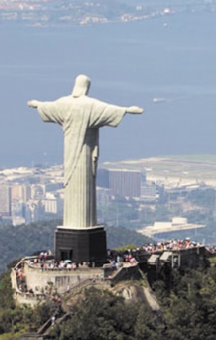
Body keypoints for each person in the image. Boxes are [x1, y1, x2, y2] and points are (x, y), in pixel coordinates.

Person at [28, 75, 143, 229]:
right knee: (81, 188)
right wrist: (127, 110)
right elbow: (109, 110)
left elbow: (49, 106)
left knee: (74, 186)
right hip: (84, 154)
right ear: (86, 87)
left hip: (69, 152)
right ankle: (80, 225)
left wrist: (37, 104)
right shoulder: (89, 105)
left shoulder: (64, 102)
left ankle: (74, 224)